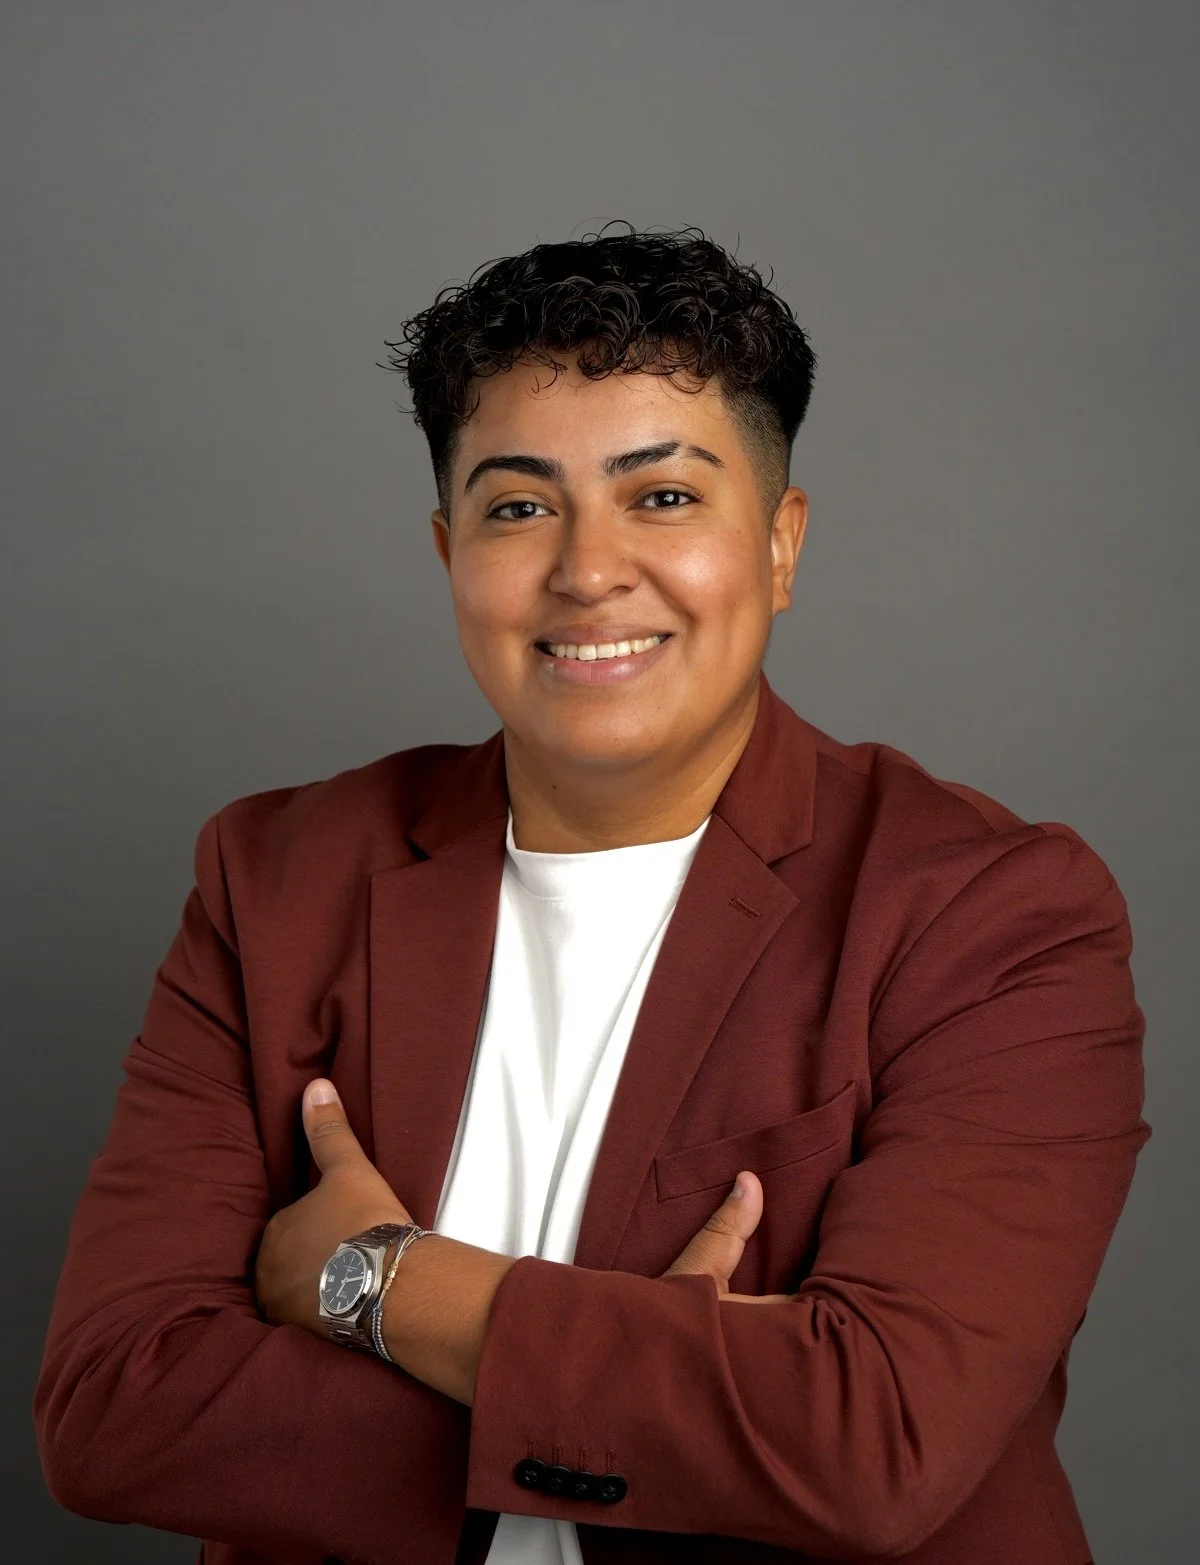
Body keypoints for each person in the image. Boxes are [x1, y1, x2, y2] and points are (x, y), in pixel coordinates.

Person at [34, 224, 1149, 1565]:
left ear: (781, 545)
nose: (588, 569)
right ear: (449, 552)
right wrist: (675, 1401)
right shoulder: (276, 880)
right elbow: (113, 1407)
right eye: (518, 507)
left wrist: (375, 1281)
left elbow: (875, 1443)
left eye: (663, 496)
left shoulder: (992, 913)